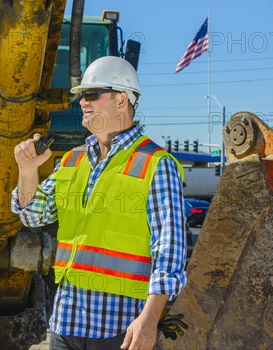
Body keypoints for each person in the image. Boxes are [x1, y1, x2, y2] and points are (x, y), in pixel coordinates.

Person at [12, 56, 186, 350]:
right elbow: (32, 215)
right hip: (66, 323)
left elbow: (170, 252)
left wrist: (150, 319)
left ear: (121, 100)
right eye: (81, 96)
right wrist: (27, 171)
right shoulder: (72, 160)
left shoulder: (156, 164)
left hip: (121, 330)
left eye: (91, 94)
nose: (82, 102)